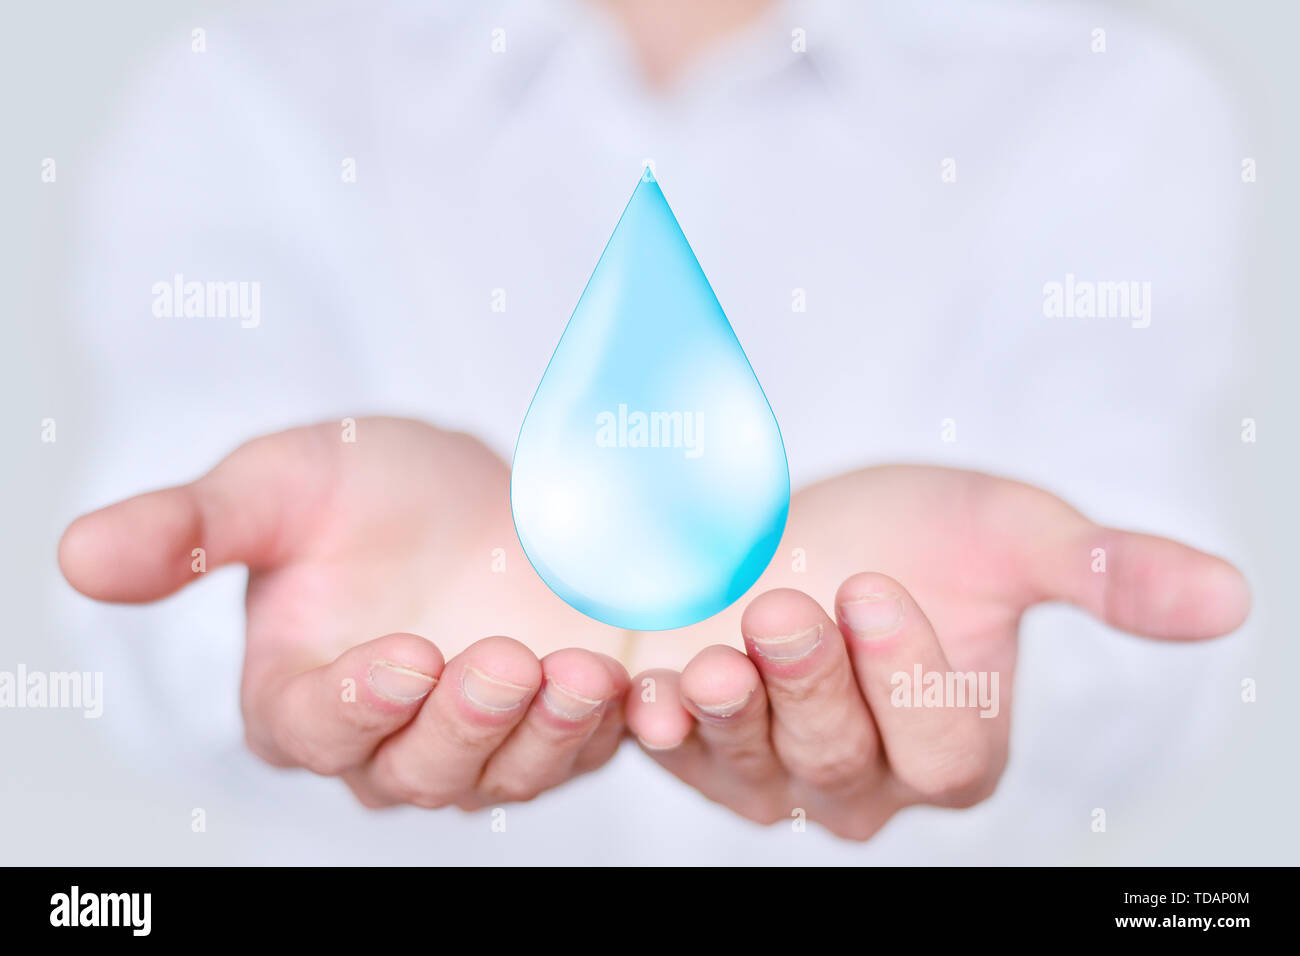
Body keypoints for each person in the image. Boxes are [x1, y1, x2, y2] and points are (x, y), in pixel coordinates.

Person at [54, 0, 1252, 862]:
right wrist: (278, 628)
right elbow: (152, 600)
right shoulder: (253, 78)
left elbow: (1145, 622)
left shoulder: (1098, 88)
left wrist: (964, 666)